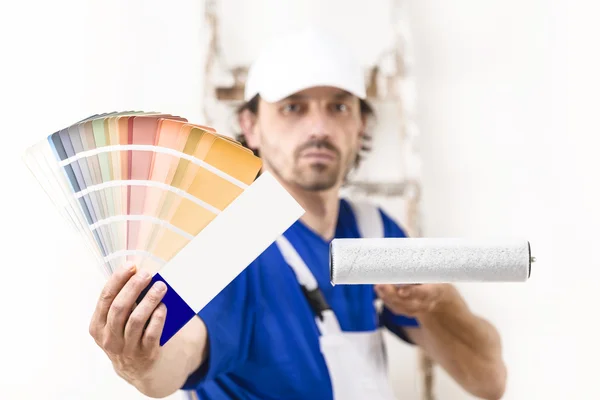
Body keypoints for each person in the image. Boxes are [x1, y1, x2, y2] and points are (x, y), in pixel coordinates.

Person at [88, 27, 507, 400]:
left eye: (339, 107)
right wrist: (137, 359)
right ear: (250, 125)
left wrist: (440, 303)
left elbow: (489, 381)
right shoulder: (228, 237)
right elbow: (169, 363)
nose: (318, 128)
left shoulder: (374, 230)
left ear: (362, 124)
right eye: (293, 108)